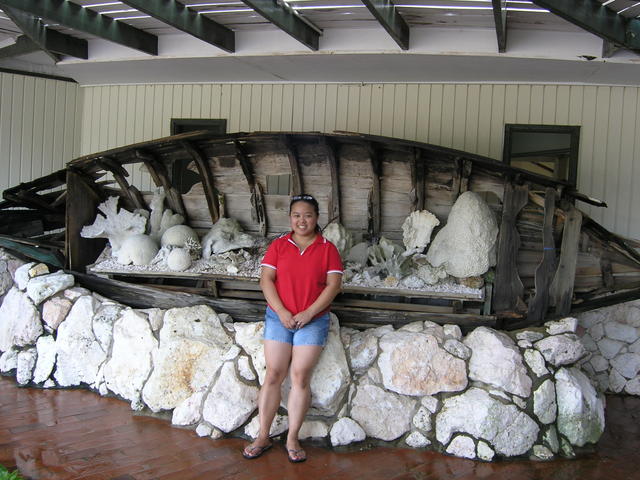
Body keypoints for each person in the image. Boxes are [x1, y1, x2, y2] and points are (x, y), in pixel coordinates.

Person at [242, 194, 343, 463]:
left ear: (317, 218)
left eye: (308, 215)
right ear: (290, 218)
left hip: (313, 319)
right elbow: (266, 280)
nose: (302, 220)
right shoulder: (278, 245)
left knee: (299, 376)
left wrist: (309, 313)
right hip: (279, 318)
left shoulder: (327, 249)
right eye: (296, 215)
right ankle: (263, 435)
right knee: (274, 373)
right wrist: (283, 312)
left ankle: (292, 437)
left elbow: (333, 286)